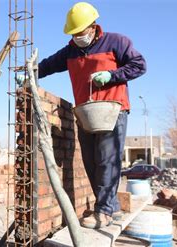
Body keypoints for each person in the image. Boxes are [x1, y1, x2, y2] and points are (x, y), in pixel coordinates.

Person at [16, 2, 146, 229]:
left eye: (81, 32)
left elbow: (139, 65)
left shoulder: (116, 42)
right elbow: (47, 66)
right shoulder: (71, 51)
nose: (77, 36)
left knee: (107, 159)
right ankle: (110, 206)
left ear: (93, 26)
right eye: (73, 33)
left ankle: (103, 212)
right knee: (91, 161)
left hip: (113, 110)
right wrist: (30, 74)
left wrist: (112, 75)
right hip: (87, 112)